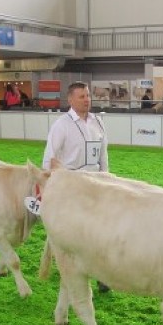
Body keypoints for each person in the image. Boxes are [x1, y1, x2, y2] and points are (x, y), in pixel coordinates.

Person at [42, 81, 111, 293]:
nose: (87, 100)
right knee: (80, 234)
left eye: (88, 95)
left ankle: (101, 274)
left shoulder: (98, 122)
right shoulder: (61, 125)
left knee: (99, 232)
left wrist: (107, 179)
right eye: (81, 96)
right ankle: (75, 267)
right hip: (72, 187)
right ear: (70, 100)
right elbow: (49, 160)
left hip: (96, 185)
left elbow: (103, 155)